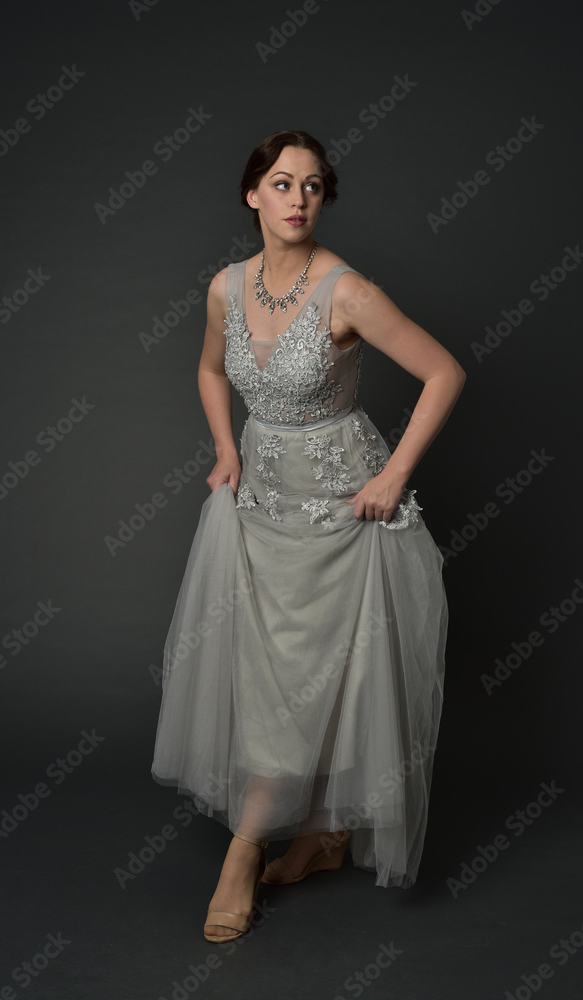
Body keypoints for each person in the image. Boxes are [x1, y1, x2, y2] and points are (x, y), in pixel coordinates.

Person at [151, 129, 466, 943]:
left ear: (323, 200)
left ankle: (246, 850)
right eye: (282, 183)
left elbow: (444, 372)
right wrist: (224, 447)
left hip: (340, 512)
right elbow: (212, 368)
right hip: (260, 504)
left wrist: (392, 475)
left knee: (325, 673)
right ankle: (323, 836)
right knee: (266, 671)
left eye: (314, 186)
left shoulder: (346, 292)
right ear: (252, 194)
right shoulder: (226, 286)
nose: (297, 199)